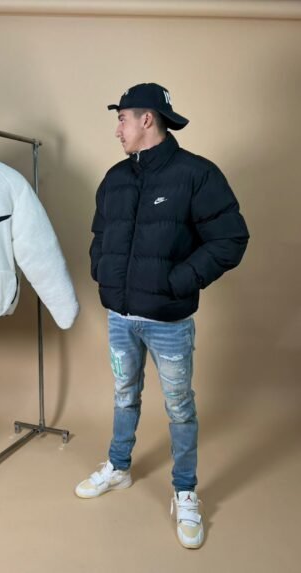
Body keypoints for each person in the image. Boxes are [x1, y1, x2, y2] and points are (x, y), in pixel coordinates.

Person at [75, 83, 249, 549]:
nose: (117, 130)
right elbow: (99, 234)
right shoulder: (115, 178)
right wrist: (102, 273)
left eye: (122, 119)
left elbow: (231, 238)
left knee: (179, 407)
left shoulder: (197, 174)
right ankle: (119, 467)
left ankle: (185, 491)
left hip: (168, 323)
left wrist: (179, 281)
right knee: (124, 395)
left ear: (146, 119)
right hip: (119, 317)